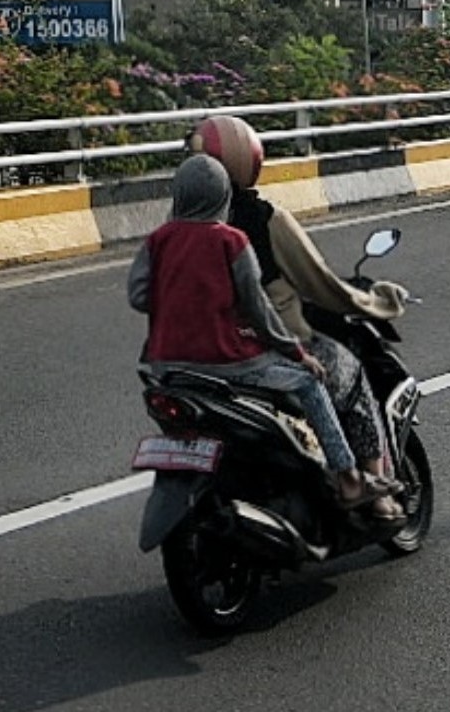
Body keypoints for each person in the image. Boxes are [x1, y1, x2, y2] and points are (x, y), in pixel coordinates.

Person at [127, 151, 392, 513]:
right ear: (222, 196)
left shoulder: (157, 240)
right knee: (309, 383)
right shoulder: (232, 241)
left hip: (168, 366)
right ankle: (348, 478)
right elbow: (260, 310)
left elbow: (139, 295)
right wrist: (298, 354)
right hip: (226, 361)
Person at [193, 110, 408, 497]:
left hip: (199, 358)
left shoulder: (178, 228)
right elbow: (321, 284)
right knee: (352, 376)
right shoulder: (263, 220)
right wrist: (380, 301)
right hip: (266, 350)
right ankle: (374, 495)